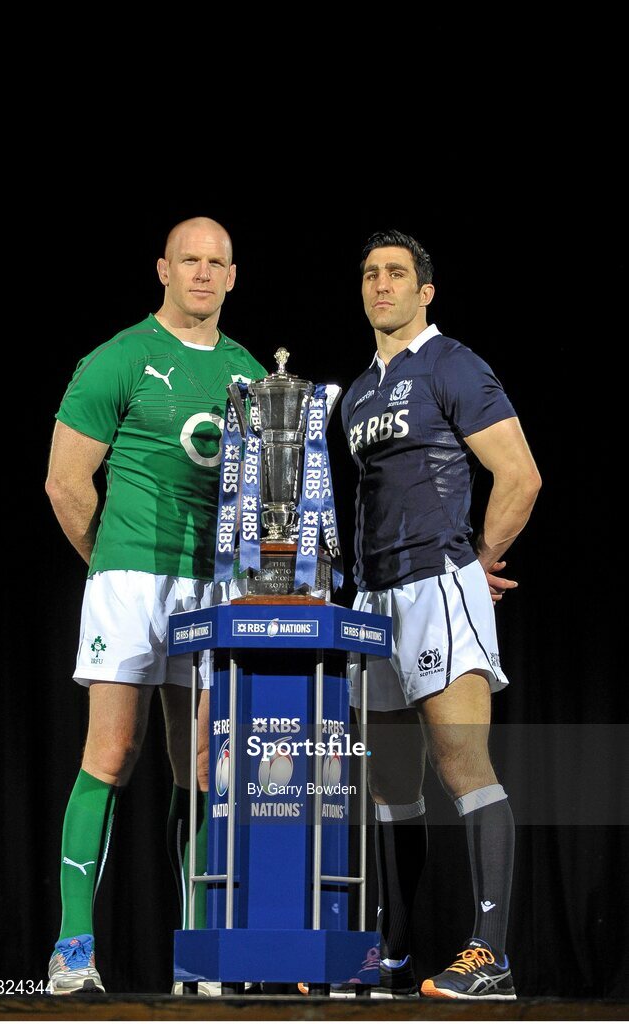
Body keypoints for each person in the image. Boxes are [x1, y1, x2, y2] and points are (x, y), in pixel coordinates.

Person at [44, 216, 266, 994]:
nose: (203, 274)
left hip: (211, 587)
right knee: (111, 753)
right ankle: (73, 950)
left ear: (232, 277)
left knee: (205, 764)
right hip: (129, 579)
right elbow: (66, 484)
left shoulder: (247, 371)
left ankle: (200, 957)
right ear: (163, 269)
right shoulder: (119, 358)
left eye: (217, 263)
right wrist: (109, 566)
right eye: (189, 261)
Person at [341, 230, 541, 1001]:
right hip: (375, 598)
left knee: (462, 765)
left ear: (426, 291)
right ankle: (390, 953)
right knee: (392, 786)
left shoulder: (451, 362)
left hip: (438, 585)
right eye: (369, 274)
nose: (380, 284)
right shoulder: (359, 391)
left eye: (396, 273)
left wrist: (478, 559)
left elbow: (519, 475)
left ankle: (491, 953)